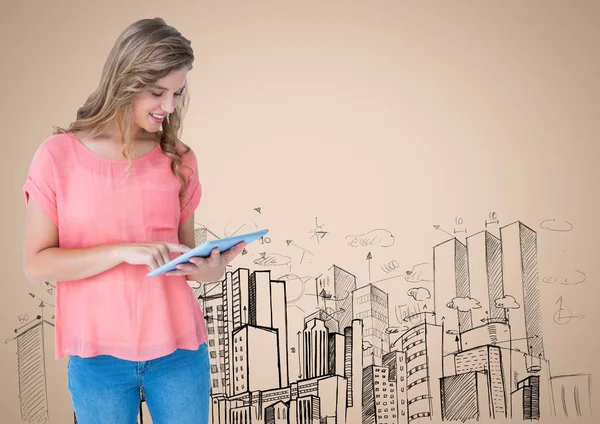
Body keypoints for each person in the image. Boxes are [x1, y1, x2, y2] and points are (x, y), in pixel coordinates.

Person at [21, 17, 244, 424]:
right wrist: (125, 251)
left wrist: (208, 270)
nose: (170, 106)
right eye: (157, 92)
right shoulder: (57, 156)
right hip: (97, 360)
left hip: (179, 353)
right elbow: (37, 263)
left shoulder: (179, 158)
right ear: (124, 80)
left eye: (177, 93)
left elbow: (181, 258)